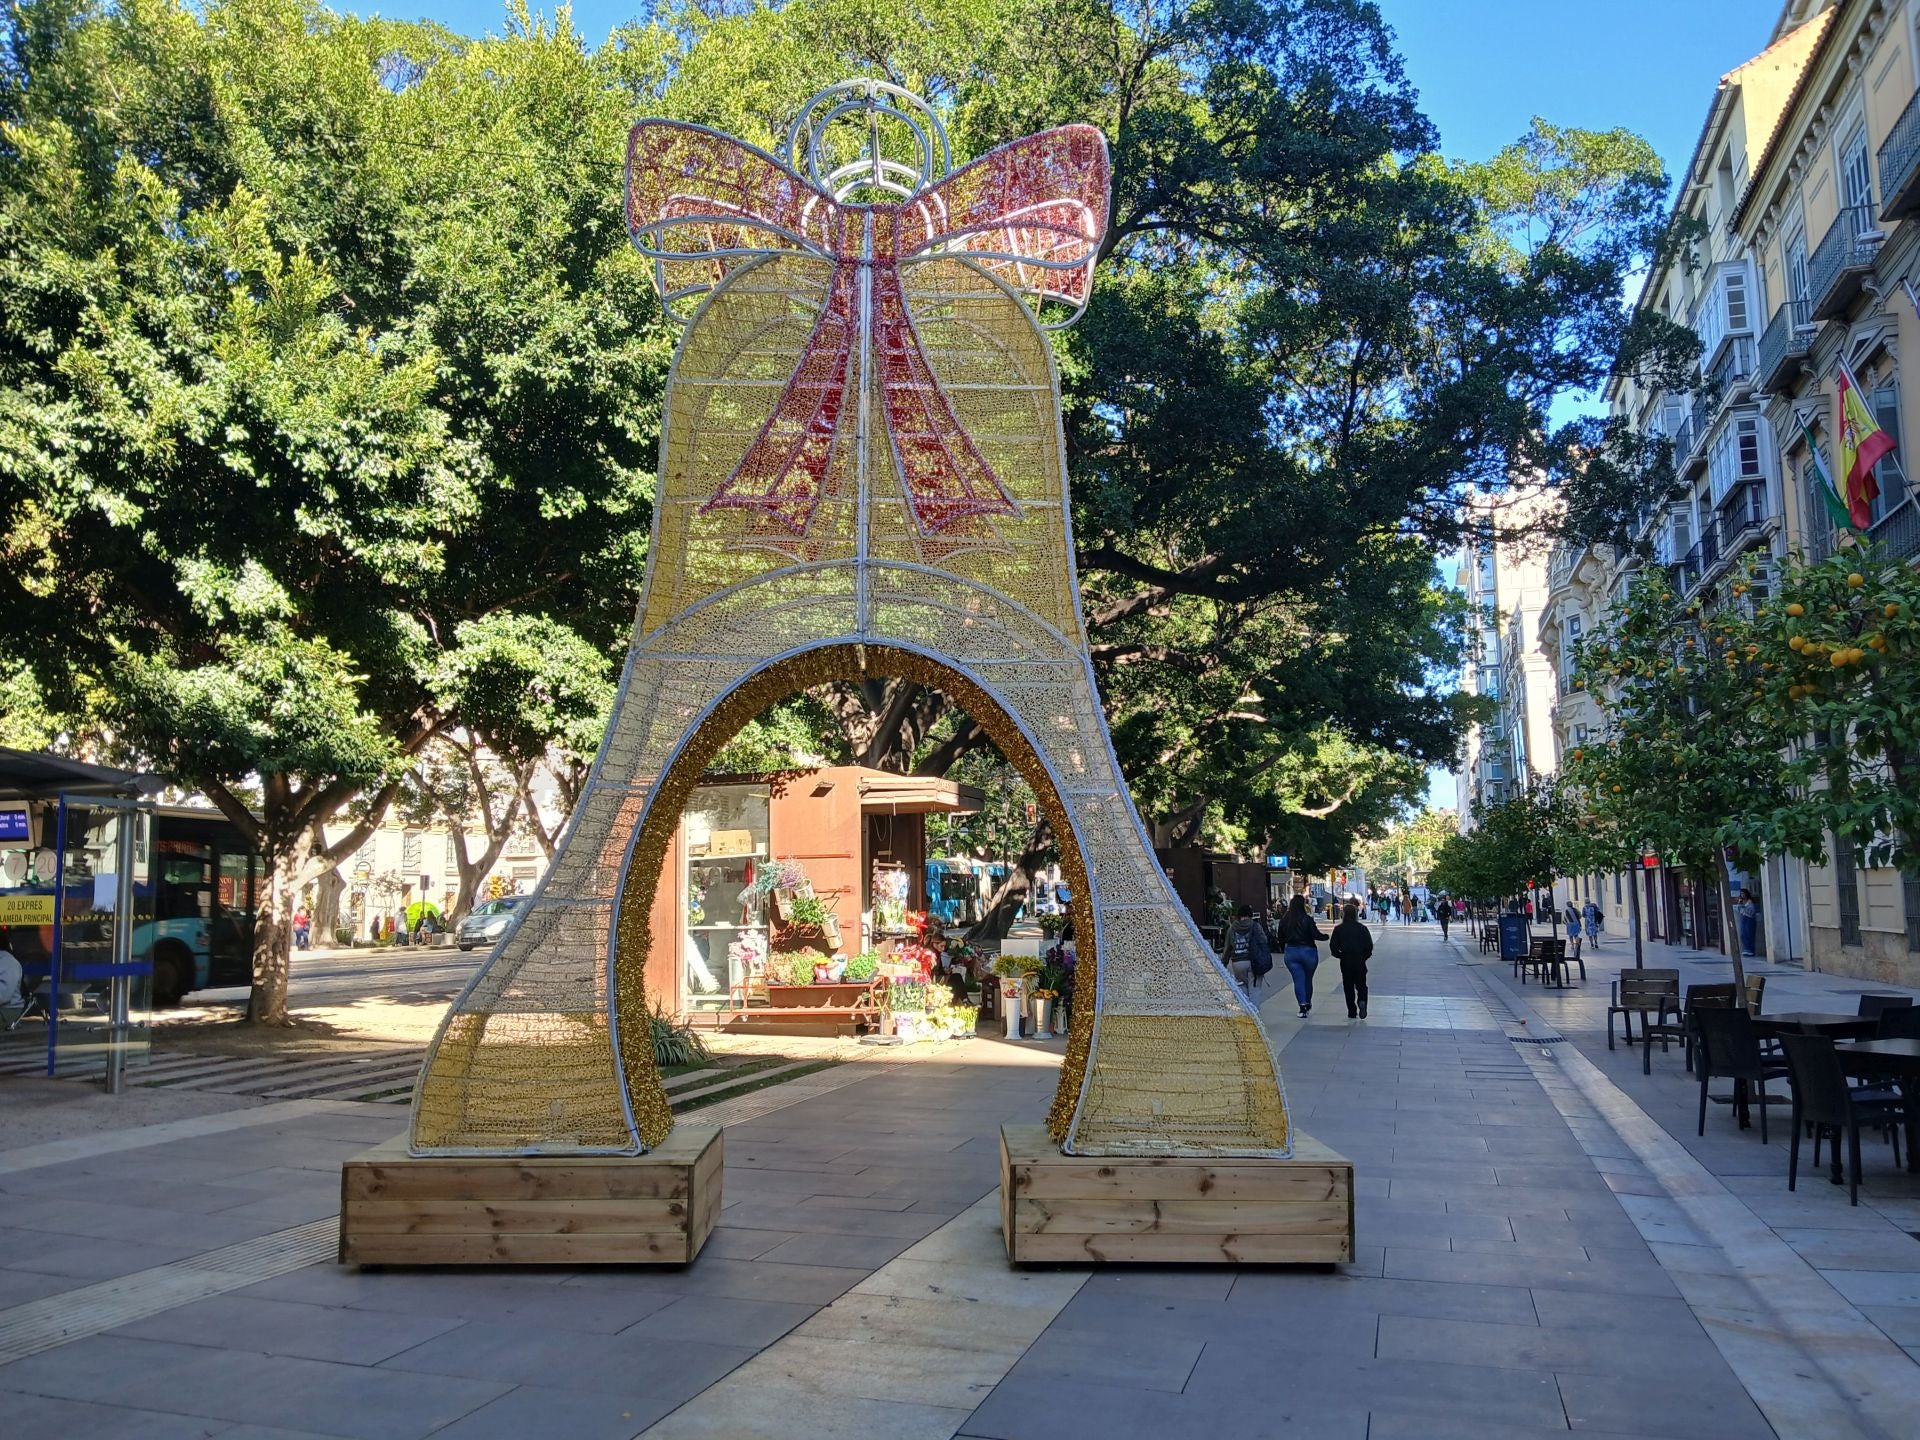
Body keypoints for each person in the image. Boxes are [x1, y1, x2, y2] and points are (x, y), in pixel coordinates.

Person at [1277, 894, 1326, 1018]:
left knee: (1298, 980)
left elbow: (1280, 937)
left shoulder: (1285, 920)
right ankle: (1308, 1002)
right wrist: (1327, 936)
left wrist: (1283, 947)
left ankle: (1302, 1005)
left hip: (1292, 952)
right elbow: (1316, 935)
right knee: (1308, 979)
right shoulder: (1307, 919)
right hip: (1309, 952)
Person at [1329, 901, 1374, 1020]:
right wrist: (1364, 956)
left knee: (1348, 986)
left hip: (1346, 960)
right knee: (1361, 985)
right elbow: (1369, 946)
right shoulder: (1362, 929)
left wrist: (1340, 955)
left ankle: (1352, 1010)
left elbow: (1333, 947)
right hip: (1359, 960)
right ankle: (1362, 1000)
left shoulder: (1339, 929)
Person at [1224, 904, 1272, 996]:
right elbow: (1264, 941)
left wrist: (1224, 963)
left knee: (1242, 989)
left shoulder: (1232, 928)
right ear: (1250, 914)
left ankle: (1246, 1009)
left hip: (1237, 963)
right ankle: (1253, 1010)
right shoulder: (1256, 926)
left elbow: (1227, 948)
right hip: (1254, 961)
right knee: (1255, 989)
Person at [1735, 890, 1759, 958]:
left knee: (1749, 933)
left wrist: (1743, 907)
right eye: (1741, 894)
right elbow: (1738, 909)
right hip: (1743, 918)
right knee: (1743, 934)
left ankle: (1750, 950)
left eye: (1743, 893)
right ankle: (1746, 948)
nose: (1742, 895)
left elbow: (1752, 910)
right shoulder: (1741, 901)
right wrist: (1739, 904)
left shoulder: (1749, 901)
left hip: (1749, 918)